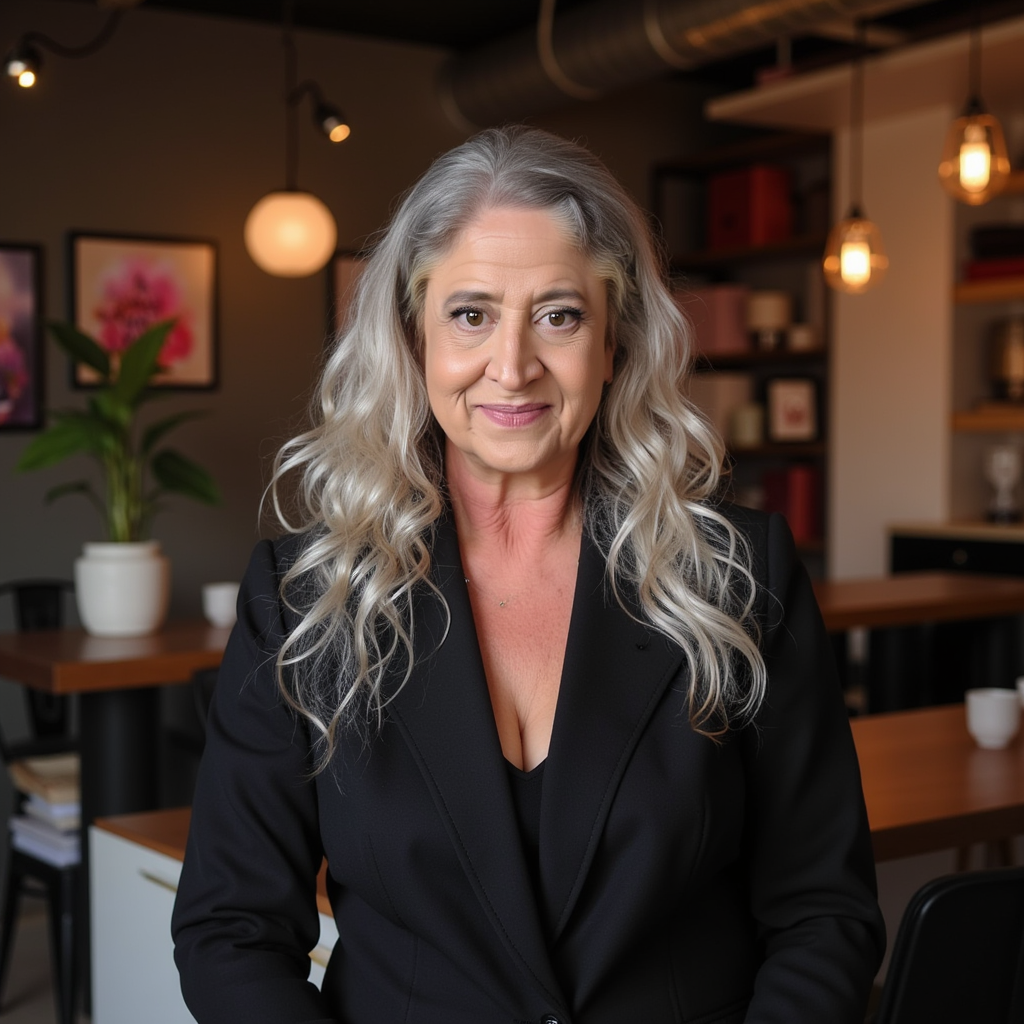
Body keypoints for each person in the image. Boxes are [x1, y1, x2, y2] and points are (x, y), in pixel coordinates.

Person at [172, 125, 884, 1024]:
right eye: (471, 314)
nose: (512, 367)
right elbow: (230, 932)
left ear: (615, 345)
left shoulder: (740, 576)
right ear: (413, 339)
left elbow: (825, 912)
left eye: (560, 314)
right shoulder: (304, 599)